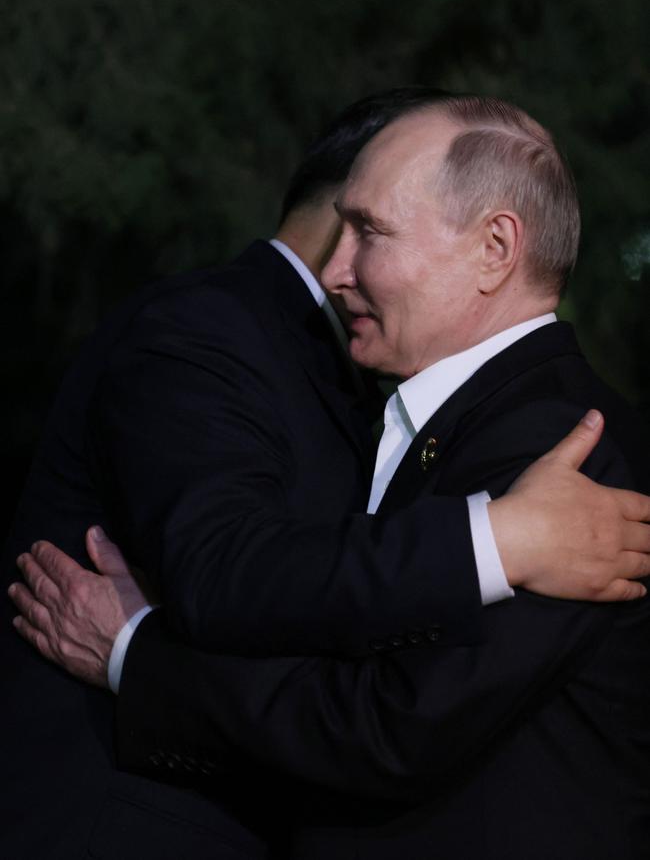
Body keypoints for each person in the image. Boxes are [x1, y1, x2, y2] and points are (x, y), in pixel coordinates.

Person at [7, 90, 650, 860]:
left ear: (494, 249)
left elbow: (386, 726)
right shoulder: (455, 428)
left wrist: (136, 656)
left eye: (370, 232)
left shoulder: (570, 453)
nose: (337, 271)